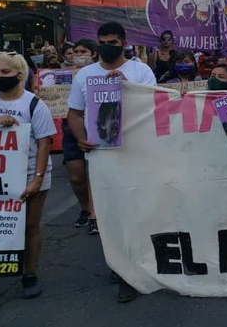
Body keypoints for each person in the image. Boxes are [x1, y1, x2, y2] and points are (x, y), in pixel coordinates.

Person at [66, 22, 156, 303]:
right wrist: (81, 139)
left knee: (138, 208)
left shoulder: (140, 71)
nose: (107, 45)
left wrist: (126, 86)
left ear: (123, 42)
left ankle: (140, 262)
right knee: (111, 212)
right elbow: (74, 113)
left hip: (136, 150)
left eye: (113, 41)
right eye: (102, 41)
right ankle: (122, 270)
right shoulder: (84, 75)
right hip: (102, 154)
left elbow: (154, 104)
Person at [0, 52, 57, 308]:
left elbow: (45, 141)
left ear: (19, 74)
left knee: (30, 227)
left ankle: (29, 274)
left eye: (5, 72)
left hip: (27, 175)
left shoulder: (34, 105)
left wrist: (37, 179)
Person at [60, 39, 97, 229]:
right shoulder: (58, 73)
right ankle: (85, 208)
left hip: (94, 126)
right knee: (76, 176)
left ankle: (94, 214)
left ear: (93, 54)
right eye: (76, 51)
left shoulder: (98, 73)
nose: (79, 54)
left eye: (84, 51)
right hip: (70, 126)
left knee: (94, 175)